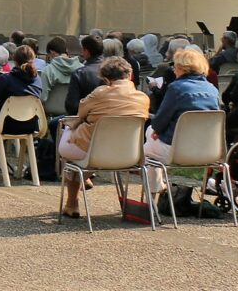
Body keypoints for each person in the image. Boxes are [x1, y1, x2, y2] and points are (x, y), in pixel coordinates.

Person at [55, 57, 149, 217]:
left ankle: (72, 203)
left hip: (94, 152)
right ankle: (82, 182)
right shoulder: (143, 98)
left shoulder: (99, 94)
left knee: (69, 134)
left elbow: (80, 113)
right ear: (130, 74)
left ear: (105, 78)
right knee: (81, 153)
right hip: (129, 155)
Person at [144, 46, 221, 199]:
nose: (173, 70)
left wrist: (157, 131)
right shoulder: (212, 89)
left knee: (148, 142)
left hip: (177, 150)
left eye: (175, 66)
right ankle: (157, 190)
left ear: (182, 67)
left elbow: (159, 121)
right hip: (207, 150)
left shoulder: (176, 88)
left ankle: (152, 197)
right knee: (152, 144)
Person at [0, 45, 43, 179]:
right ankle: (18, 168)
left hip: (6, 125)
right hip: (30, 125)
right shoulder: (37, 80)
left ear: (14, 60)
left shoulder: (4, 79)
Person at [64, 35, 105, 117]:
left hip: (86, 118)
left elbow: (72, 107)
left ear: (86, 51)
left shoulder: (79, 73)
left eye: (82, 49)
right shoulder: (115, 71)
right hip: (112, 117)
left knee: (53, 123)